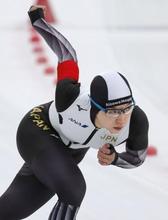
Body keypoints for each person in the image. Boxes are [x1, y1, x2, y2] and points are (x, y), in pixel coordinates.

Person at [0, 5, 149, 220]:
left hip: (71, 151)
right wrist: (38, 20)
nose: (122, 118)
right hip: (38, 131)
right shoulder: (69, 98)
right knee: (73, 189)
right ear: (95, 106)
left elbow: (136, 158)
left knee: (9, 211)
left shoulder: (135, 121)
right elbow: (67, 54)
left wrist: (115, 158)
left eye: (127, 108)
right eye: (114, 111)